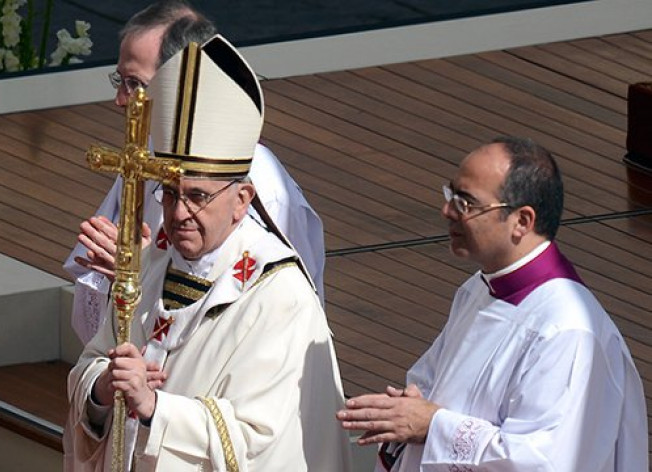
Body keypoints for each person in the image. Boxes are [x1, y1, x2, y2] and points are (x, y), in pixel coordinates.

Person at [63, 34, 351, 471]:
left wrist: (154, 407)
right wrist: (103, 387)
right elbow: (93, 360)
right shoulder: (153, 264)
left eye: (197, 196)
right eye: (169, 193)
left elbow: (261, 442)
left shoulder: (279, 296)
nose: (179, 213)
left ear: (242, 200)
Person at [337, 136, 648, 471]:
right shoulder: (480, 288)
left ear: (522, 221)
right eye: (451, 195)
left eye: (465, 203)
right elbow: (434, 386)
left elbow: (543, 460)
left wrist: (433, 425)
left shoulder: (568, 332)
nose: (447, 211)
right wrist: (405, 409)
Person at [63, 0, 326, 344]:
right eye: (120, 80)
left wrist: (146, 269)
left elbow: (269, 307)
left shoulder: (263, 189)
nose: (121, 99)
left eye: (134, 84)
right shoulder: (146, 156)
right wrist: (125, 275)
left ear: (181, 81)